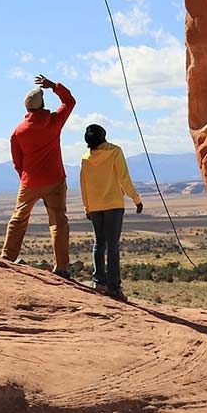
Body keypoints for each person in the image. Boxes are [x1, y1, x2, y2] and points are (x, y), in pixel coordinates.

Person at [1, 75, 76, 276]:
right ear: (42, 104)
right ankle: (61, 267)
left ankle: (8, 256)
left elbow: (17, 160)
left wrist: (25, 177)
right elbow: (70, 102)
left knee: (19, 217)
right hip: (55, 179)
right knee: (58, 222)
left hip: (30, 181)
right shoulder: (53, 121)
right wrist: (54, 86)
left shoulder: (19, 131)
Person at [79, 124, 144, 299]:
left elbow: (83, 185)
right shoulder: (115, 151)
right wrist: (136, 199)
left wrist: (87, 207)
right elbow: (124, 177)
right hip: (113, 205)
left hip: (95, 206)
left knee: (99, 243)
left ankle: (98, 281)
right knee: (113, 246)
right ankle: (114, 288)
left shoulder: (85, 158)